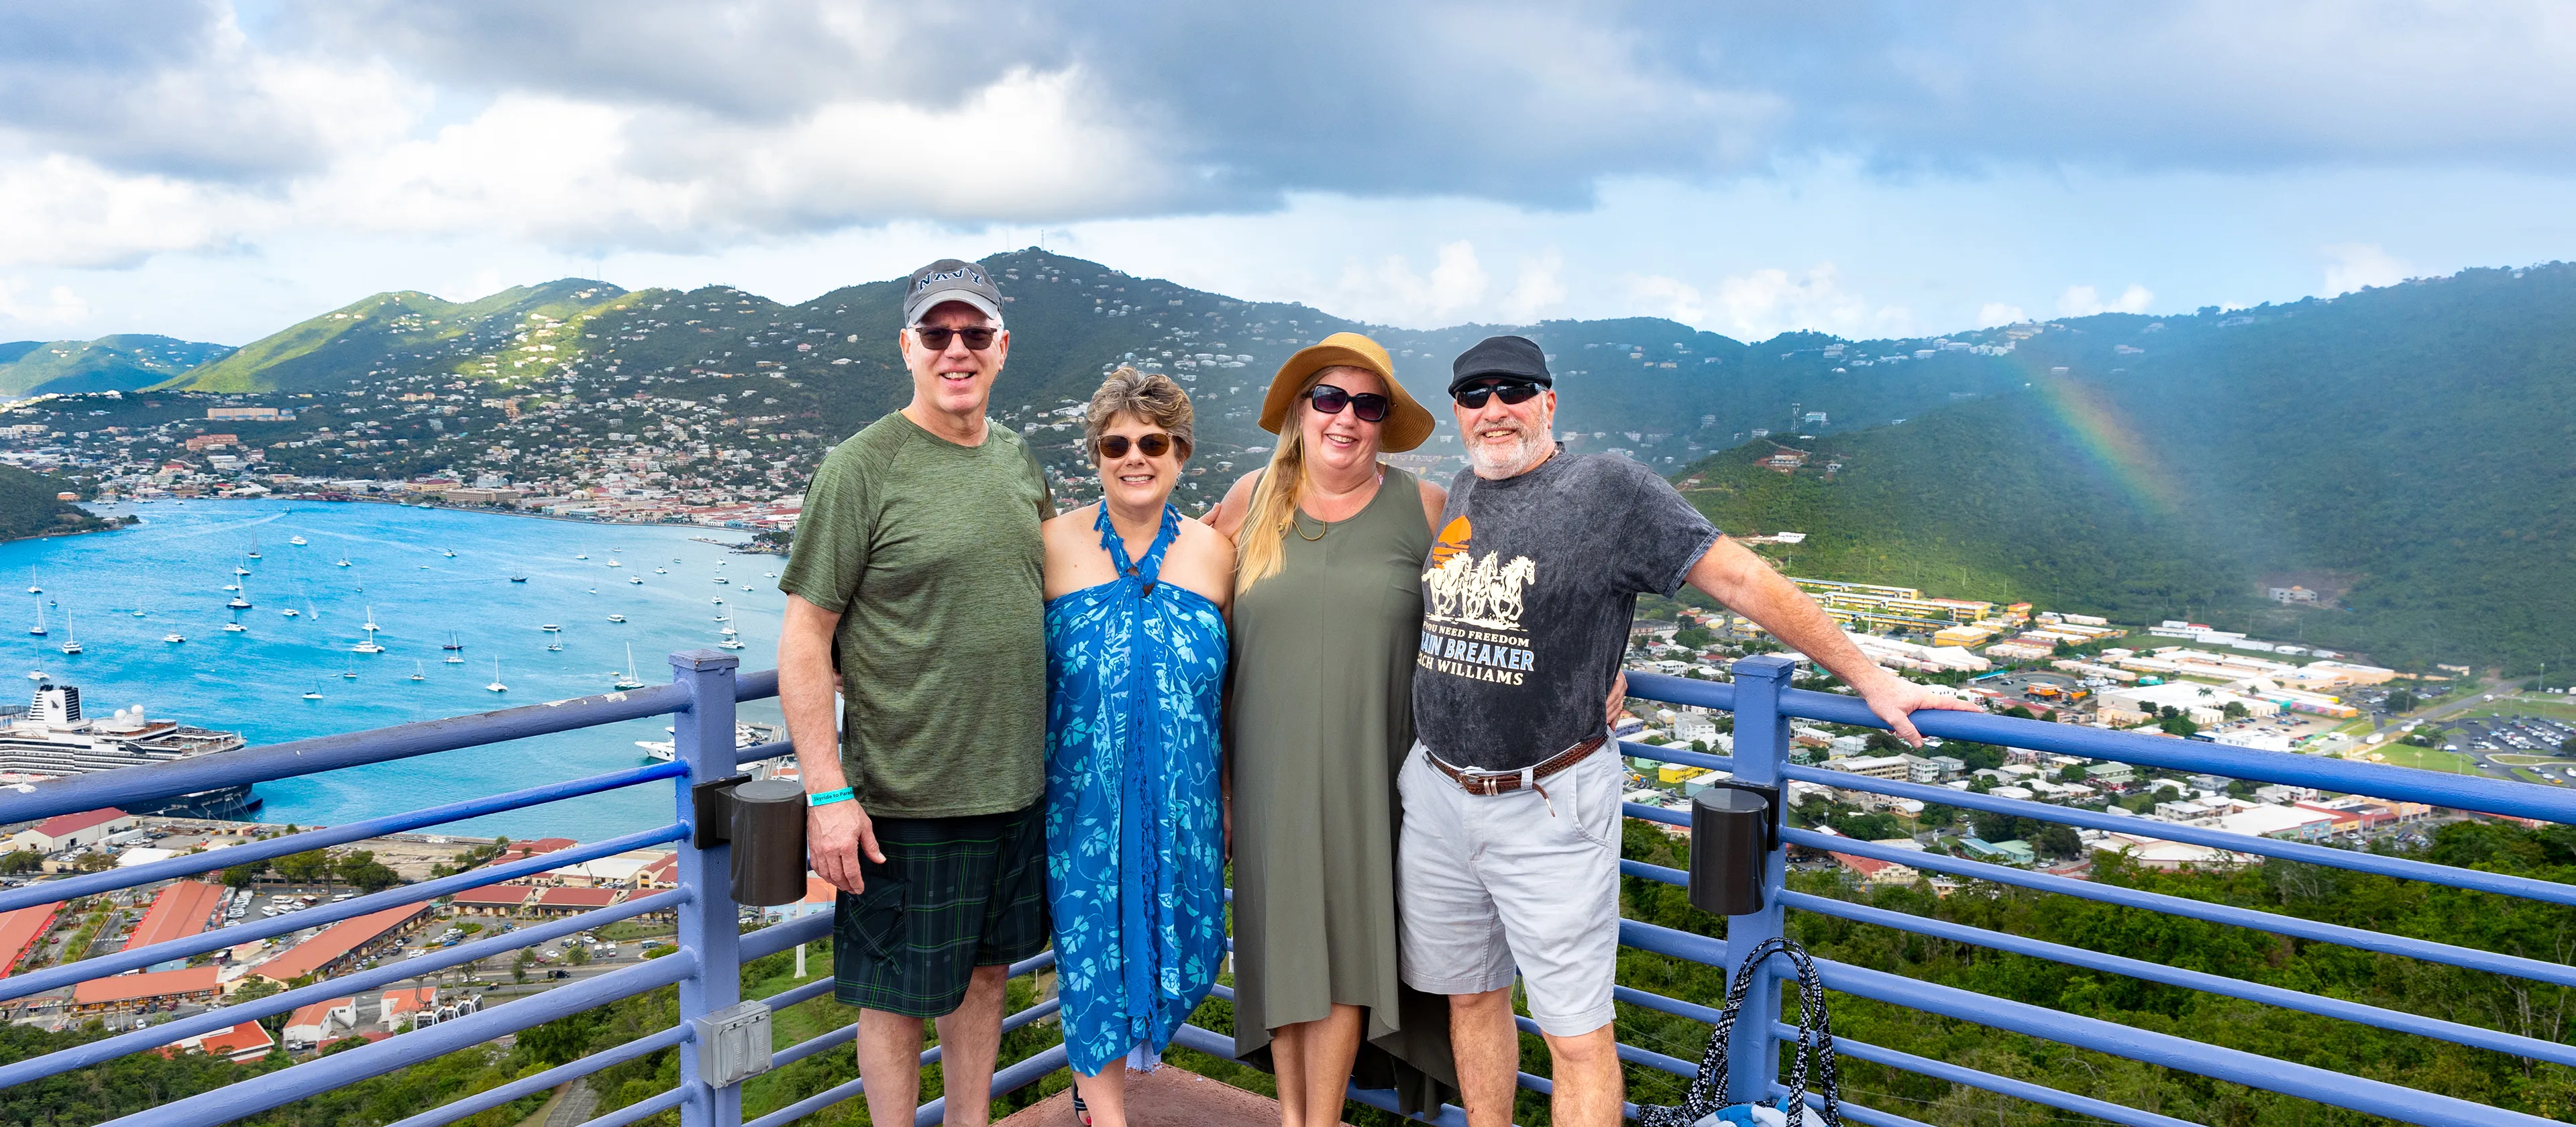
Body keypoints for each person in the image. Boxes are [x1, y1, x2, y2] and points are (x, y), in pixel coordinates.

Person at [1401, 335, 1978, 1127]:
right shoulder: (1465, 490)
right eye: (1475, 396)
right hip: (1436, 791)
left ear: (1550, 402)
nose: (1494, 410)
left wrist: (1869, 676)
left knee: (1576, 1033)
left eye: (1514, 392)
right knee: (1472, 998)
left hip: (1547, 802)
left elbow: (1738, 575)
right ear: (1458, 413)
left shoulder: (1609, 487)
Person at [776, 258, 1055, 1127]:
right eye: (938, 334)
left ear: (1002, 349)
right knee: (894, 1000)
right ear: (908, 347)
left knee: (985, 973)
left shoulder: (1019, 462)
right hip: (903, 797)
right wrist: (827, 792)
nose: (956, 350)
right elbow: (804, 635)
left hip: (1011, 790)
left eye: (975, 334)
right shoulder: (860, 468)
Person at [1203, 332, 1458, 1127]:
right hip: (1266, 768)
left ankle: (1320, 1122)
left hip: (1372, 772)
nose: (1346, 418)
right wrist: (1221, 789)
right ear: (1301, 411)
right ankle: (1292, 1118)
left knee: (1349, 951)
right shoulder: (1249, 500)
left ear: (1383, 422)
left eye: (1367, 404)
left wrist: (1601, 661)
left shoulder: (1426, 508)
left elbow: (1502, 613)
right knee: (1283, 949)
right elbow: (1181, 606)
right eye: (1330, 399)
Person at [1040, 368, 1234, 1127]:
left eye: (1152, 442)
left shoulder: (1217, 554)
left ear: (1180, 451)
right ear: (1094, 454)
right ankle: (1105, 1111)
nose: (1134, 457)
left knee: (1185, 942)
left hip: (1185, 801)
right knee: (1091, 957)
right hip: (1081, 799)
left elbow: (1240, 687)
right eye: (1115, 443)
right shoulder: (1051, 546)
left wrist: (1226, 799)